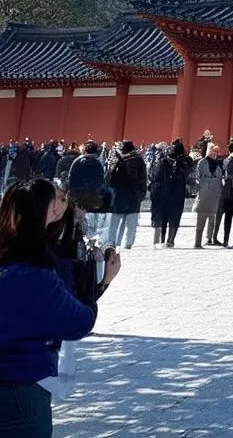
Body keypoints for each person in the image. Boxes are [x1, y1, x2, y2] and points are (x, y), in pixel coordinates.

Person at [0, 178, 116, 437]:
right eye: (58, 201)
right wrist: (94, 288)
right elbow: (78, 323)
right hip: (21, 388)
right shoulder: (35, 275)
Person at [105, 141, 147, 249]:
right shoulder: (139, 160)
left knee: (115, 220)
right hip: (134, 193)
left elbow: (110, 178)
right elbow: (142, 178)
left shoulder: (117, 159)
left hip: (119, 193)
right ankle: (128, 243)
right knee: (131, 221)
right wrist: (142, 193)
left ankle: (112, 241)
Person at [150, 140, 191, 248]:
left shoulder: (165, 161)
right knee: (175, 217)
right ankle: (170, 240)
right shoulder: (185, 161)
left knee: (165, 215)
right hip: (178, 193)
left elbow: (156, 175)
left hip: (166, 192)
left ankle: (164, 239)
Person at [67, 141, 110, 238]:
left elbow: (71, 179)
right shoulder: (98, 163)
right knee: (92, 221)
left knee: (78, 218)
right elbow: (101, 180)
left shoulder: (77, 161)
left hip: (78, 196)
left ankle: (78, 236)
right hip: (93, 196)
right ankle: (90, 239)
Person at [193, 143, 224, 247]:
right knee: (201, 220)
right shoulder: (202, 162)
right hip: (204, 194)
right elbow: (198, 178)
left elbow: (220, 179)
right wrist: (211, 181)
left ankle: (209, 239)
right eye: (213, 150)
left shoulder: (217, 164)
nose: (214, 153)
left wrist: (214, 181)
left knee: (212, 220)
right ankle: (197, 243)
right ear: (208, 150)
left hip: (215, 195)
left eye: (216, 151)